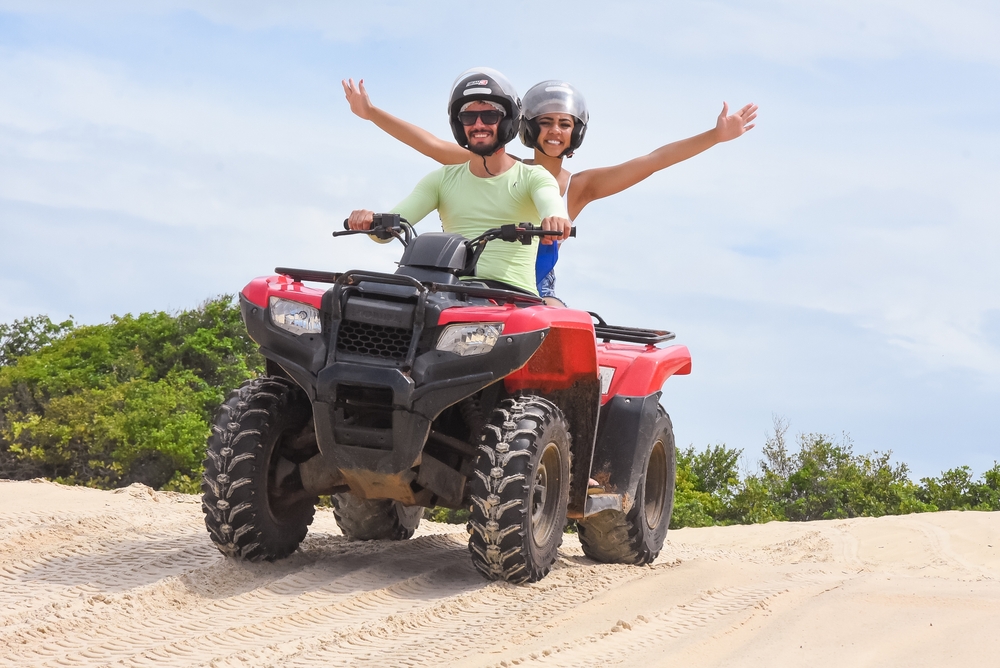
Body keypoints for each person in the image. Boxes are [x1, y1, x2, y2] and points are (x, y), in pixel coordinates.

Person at [343, 76, 757, 306]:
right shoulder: (490, 168)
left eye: (564, 124)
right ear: (526, 127)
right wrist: (372, 113)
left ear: (576, 131)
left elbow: (651, 161)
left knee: (558, 326)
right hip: (460, 280)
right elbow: (430, 145)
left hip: (530, 290)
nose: (555, 132)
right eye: (546, 122)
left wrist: (714, 137)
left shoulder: (579, 187)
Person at [346, 68, 571, 296]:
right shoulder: (441, 179)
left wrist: (555, 220)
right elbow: (389, 229)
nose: (478, 124)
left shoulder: (534, 177)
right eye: (469, 117)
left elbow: (551, 205)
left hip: (512, 300)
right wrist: (368, 221)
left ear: (508, 121)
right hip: (447, 294)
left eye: (490, 116)